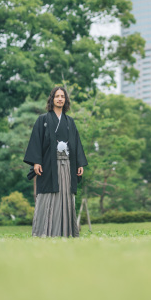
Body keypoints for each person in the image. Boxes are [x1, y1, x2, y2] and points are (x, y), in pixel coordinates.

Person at [24, 86, 87, 237]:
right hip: (48, 165)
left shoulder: (70, 122)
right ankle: (44, 231)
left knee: (66, 196)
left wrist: (79, 163)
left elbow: (76, 143)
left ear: (65, 100)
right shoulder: (43, 120)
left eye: (62, 96)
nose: (60, 99)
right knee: (48, 196)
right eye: (57, 96)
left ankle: (66, 232)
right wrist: (36, 162)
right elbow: (36, 142)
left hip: (67, 166)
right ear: (52, 99)